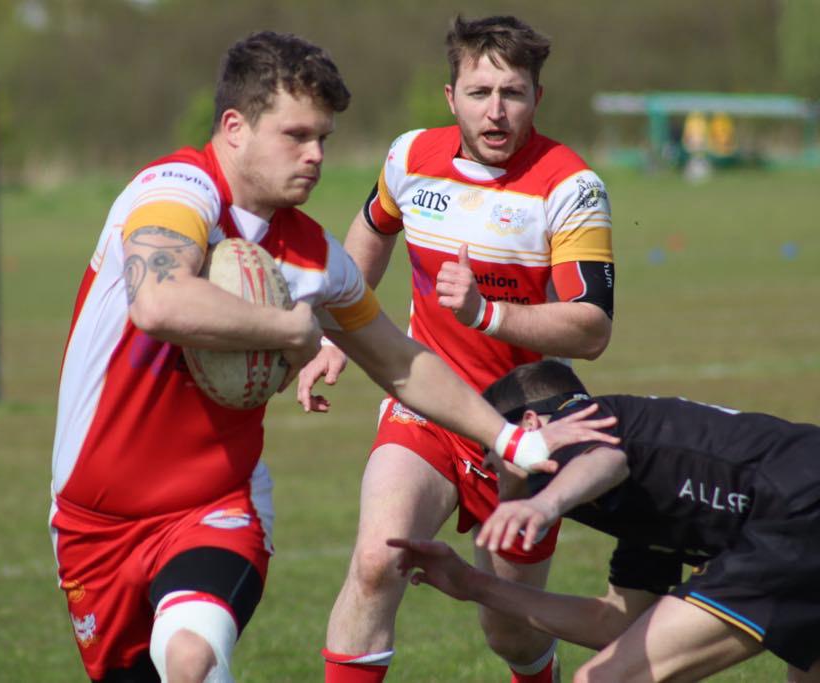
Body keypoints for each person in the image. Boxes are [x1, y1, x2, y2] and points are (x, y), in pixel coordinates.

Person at [48, 31, 617, 683]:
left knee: (191, 659)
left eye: (324, 137)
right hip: (92, 520)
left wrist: (508, 439)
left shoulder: (315, 258)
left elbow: (401, 362)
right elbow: (157, 301)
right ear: (234, 127)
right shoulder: (173, 192)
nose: (316, 156)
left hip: (215, 503)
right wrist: (290, 330)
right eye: (296, 136)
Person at [296, 15, 615, 683]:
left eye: (513, 92)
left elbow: (591, 328)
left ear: (537, 97)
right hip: (430, 406)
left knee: (510, 629)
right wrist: (337, 332)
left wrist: (487, 312)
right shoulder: (411, 158)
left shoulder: (570, 186)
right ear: (451, 97)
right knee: (378, 558)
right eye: (479, 92)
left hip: (530, 430)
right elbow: (373, 229)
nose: (495, 111)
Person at [391, 359, 820, 682]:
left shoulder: (578, 431)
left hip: (796, 514)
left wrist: (543, 505)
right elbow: (614, 623)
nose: (487, 461)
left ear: (531, 423)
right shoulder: (649, 487)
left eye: (490, 442)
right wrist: (473, 585)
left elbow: (606, 461)